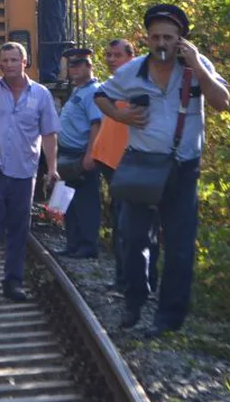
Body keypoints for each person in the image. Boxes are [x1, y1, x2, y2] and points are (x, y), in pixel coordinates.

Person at [94, 5, 230, 338]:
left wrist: (197, 65)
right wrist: (121, 116)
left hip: (183, 169)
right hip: (142, 165)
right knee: (134, 237)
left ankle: (168, 318)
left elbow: (222, 101)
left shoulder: (197, 68)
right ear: (147, 38)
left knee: (180, 246)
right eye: (155, 37)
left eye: (168, 37)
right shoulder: (134, 71)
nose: (161, 43)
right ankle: (135, 299)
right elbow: (101, 96)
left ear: (180, 39)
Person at [0, 41, 60, 304]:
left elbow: (49, 132)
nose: (9, 66)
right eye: (4, 61)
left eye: (14, 60)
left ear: (24, 62)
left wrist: (52, 168)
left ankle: (13, 283)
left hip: (23, 171)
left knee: (18, 230)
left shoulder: (40, 95)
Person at [92, 39, 159, 293]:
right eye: (108, 54)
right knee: (121, 224)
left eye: (117, 55)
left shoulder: (140, 84)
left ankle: (144, 280)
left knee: (139, 227)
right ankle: (124, 278)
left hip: (134, 166)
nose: (110, 59)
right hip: (113, 166)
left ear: (132, 57)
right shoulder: (114, 86)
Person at [55, 48, 103, 259]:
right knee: (70, 203)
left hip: (81, 154)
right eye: (71, 64)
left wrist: (90, 154)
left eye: (78, 64)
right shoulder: (78, 90)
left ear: (89, 65)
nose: (73, 68)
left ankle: (87, 245)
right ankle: (72, 243)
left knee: (86, 203)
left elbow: (96, 124)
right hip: (68, 155)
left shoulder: (92, 92)